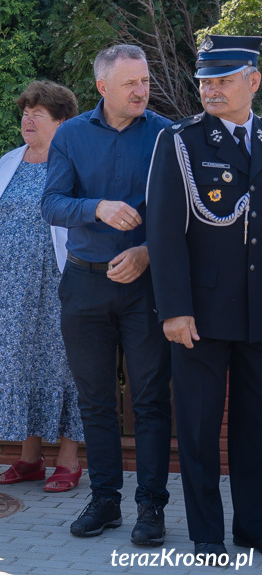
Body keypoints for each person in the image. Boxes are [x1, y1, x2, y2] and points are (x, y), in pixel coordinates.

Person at [41, 44, 173, 546]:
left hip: (145, 287)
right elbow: (52, 203)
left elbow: (183, 212)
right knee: (95, 401)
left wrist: (145, 252)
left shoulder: (166, 135)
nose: (141, 91)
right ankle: (105, 502)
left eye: (144, 81)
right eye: (130, 83)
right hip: (84, 283)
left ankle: (152, 507)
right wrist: (97, 208)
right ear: (102, 88)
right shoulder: (71, 135)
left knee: (150, 401)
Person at [147, 35, 262, 559]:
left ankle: (253, 527)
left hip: (259, 310)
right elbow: (165, 233)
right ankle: (207, 535)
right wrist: (173, 308)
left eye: (223, 79)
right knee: (196, 428)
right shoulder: (181, 141)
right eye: (205, 81)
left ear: (253, 81)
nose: (211, 89)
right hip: (199, 313)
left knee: (255, 430)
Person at [0, 81, 84, 492]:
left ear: (62, 122)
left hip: (59, 279)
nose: (28, 119)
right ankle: (29, 458)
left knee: (63, 363)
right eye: (25, 112)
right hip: (10, 286)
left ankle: (69, 460)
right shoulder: (8, 161)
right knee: (18, 362)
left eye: (38, 113)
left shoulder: (74, 161)